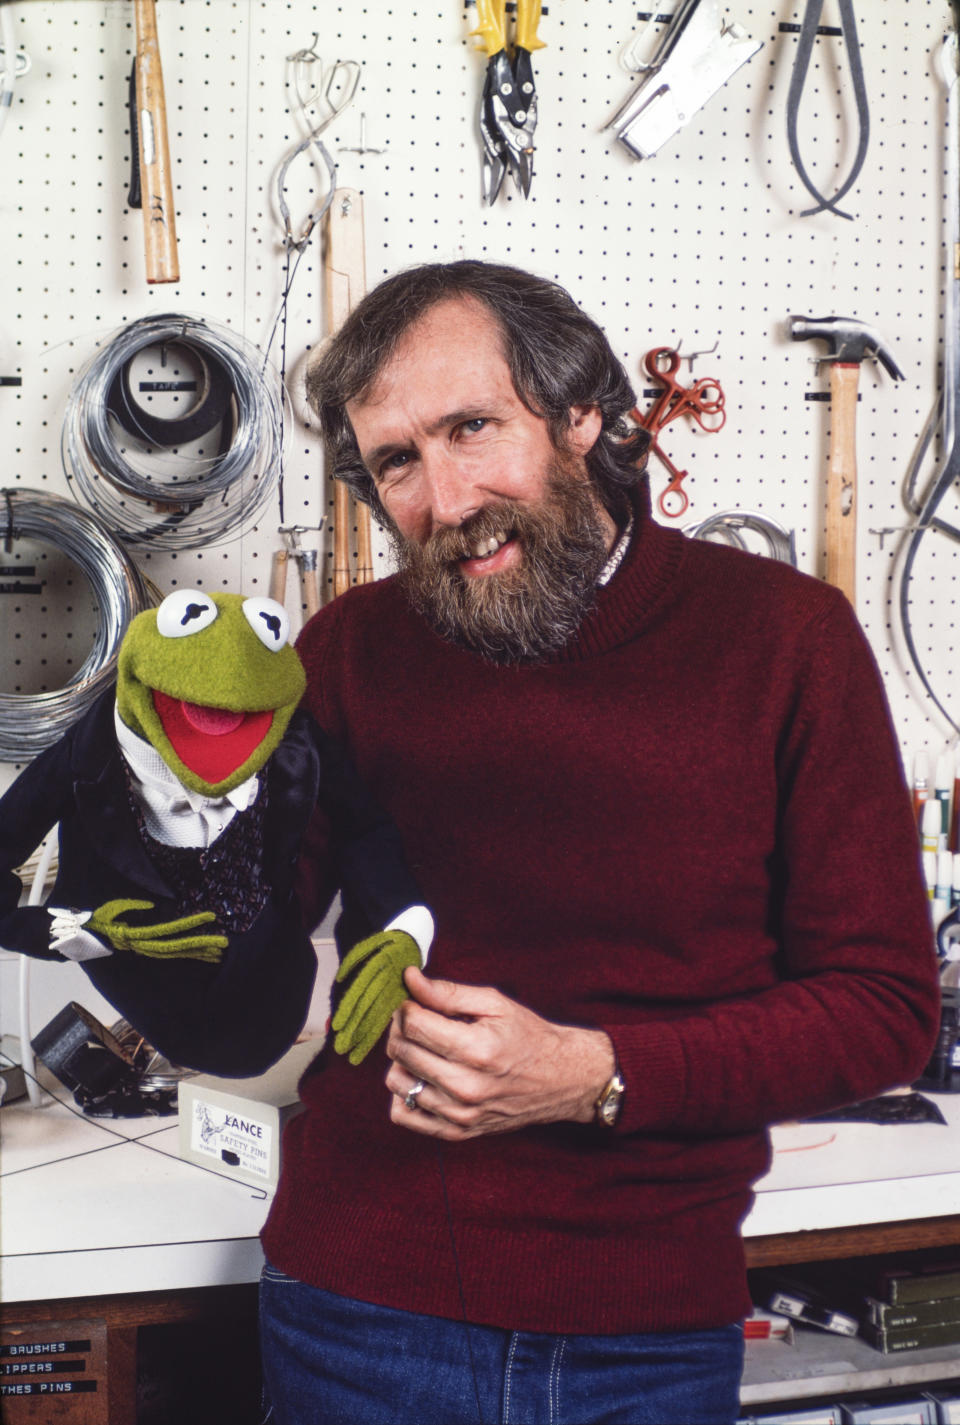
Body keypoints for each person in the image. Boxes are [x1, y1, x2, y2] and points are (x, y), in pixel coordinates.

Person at [257, 260, 940, 1425]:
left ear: (582, 416)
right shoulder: (348, 651)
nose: (448, 497)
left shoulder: (785, 643)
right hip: (356, 1314)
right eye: (398, 464)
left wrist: (597, 1075)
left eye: (474, 428)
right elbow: (243, 956)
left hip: (649, 1338)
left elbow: (883, 1010)